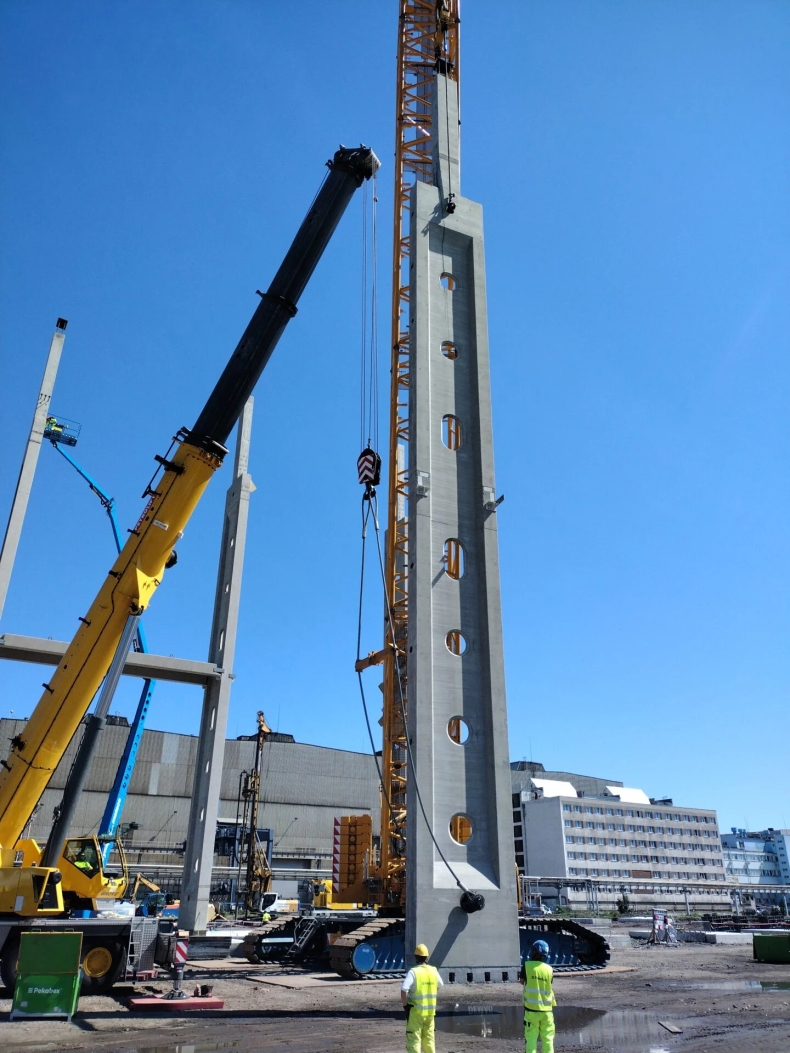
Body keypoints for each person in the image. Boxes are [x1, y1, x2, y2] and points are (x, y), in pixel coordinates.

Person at [401, 942, 443, 1053]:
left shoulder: (414, 972)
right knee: (429, 1040)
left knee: (414, 1039)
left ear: (416, 957)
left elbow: (404, 989)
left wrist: (406, 1006)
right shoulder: (433, 971)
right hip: (430, 1013)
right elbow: (440, 984)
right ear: (427, 957)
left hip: (416, 1013)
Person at [523, 939, 556, 1053]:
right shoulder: (549, 969)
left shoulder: (527, 966)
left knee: (531, 1038)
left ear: (534, 952)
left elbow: (522, 981)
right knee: (548, 1038)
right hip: (547, 1011)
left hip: (531, 1010)